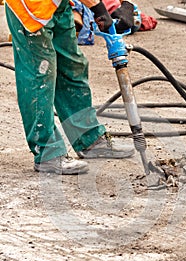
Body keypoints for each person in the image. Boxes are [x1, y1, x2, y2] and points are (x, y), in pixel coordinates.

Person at [4, 0, 135, 175]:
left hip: (58, 5)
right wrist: (99, 8)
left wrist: (120, 5)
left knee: (72, 65)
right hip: (30, 7)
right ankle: (47, 153)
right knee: (40, 73)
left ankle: (88, 139)